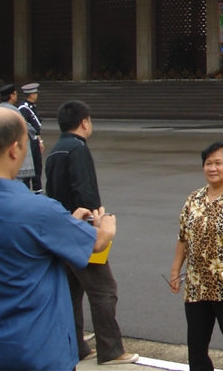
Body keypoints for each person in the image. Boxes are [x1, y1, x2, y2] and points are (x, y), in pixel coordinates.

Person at [0, 107, 116, 371]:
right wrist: (106, 227)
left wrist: (66, 224)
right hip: (36, 352)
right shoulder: (38, 210)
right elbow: (96, 242)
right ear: (14, 149)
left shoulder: (41, 216)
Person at [45, 100, 138, 366]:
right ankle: (111, 350)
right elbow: (84, 191)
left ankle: (76, 346)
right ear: (85, 122)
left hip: (62, 229)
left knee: (72, 292)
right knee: (103, 289)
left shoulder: (54, 150)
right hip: (81, 230)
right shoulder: (78, 148)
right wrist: (96, 224)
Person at [169, 141, 223, 371]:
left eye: (218, 163)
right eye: (208, 163)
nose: (212, 168)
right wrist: (176, 270)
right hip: (196, 284)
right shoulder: (194, 198)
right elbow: (183, 237)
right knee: (196, 347)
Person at [0, 84, 36, 190]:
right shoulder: (13, 111)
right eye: (15, 94)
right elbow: (26, 127)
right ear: (12, 96)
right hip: (14, 148)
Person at [17, 82, 44, 192]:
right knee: (29, 166)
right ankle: (26, 189)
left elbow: (36, 127)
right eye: (35, 93)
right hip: (28, 141)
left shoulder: (32, 107)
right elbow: (24, 126)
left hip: (34, 139)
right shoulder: (24, 108)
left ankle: (38, 189)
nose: (37, 95)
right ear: (32, 95)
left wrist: (39, 140)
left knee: (37, 165)